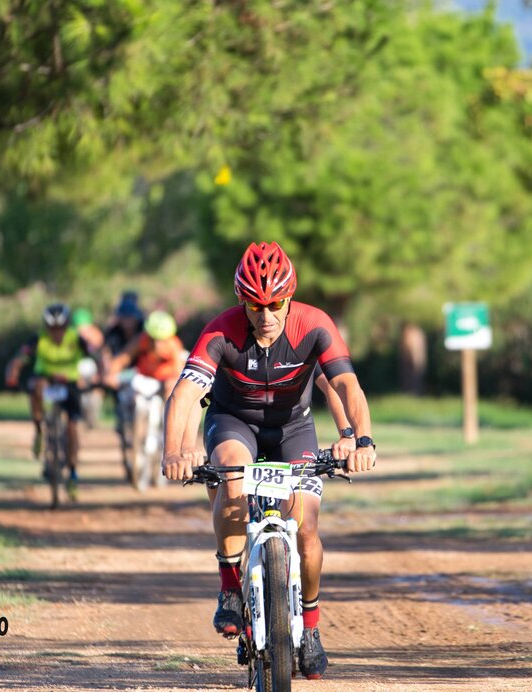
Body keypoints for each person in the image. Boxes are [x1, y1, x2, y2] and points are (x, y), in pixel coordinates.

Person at [161, 241, 376, 681]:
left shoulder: (314, 324)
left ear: (289, 297)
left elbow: (346, 386)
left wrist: (360, 440)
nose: (266, 315)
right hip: (233, 420)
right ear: (242, 301)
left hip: (293, 428)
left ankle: (311, 628)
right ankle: (229, 588)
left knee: (308, 528)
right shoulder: (220, 332)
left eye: (275, 303)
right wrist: (174, 452)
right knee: (232, 478)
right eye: (255, 306)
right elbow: (184, 394)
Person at [5, 303, 99, 500]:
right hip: (46, 379)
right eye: (52, 329)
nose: (56, 333)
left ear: (67, 326)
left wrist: (103, 374)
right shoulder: (38, 339)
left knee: (72, 427)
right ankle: (39, 429)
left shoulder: (76, 338)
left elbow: (96, 355)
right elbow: (20, 358)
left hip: (69, 382)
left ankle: (73, 473)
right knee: (35, 387)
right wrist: (13, 373)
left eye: (60, 329)